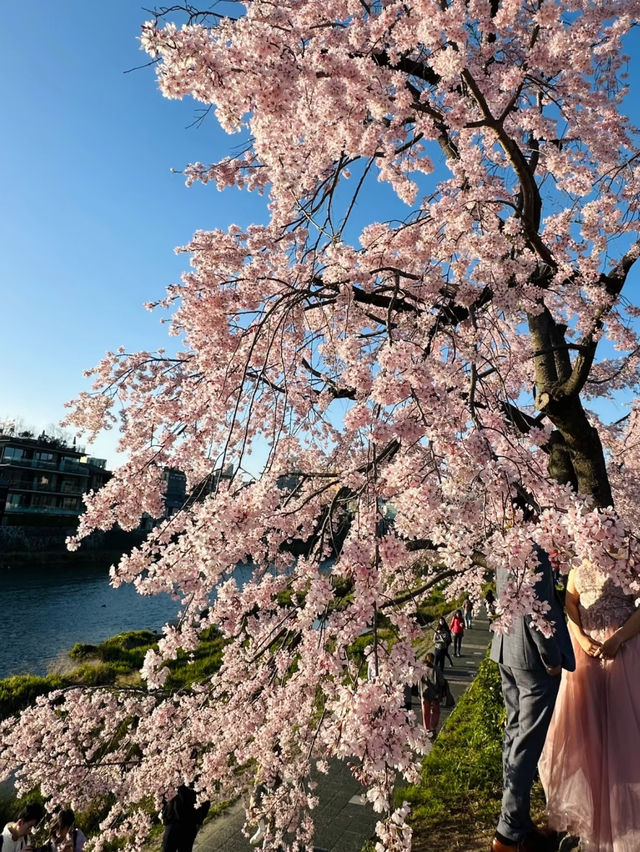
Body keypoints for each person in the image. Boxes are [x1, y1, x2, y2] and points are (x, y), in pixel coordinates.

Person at [539, 560, 640, 852]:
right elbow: (570, 600)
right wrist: (580, 637)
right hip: (584, 657)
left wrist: (619, 637)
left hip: (624, 652)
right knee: (586, 741)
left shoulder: (631, 553)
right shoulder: (579, 555)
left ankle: (622, 827)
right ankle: (588, 824)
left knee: (622, 743)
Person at [490, 545, 575, 852]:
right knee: (526, 743)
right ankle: (509, 833)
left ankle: (517, 824)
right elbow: (538, 609)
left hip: (506, 649)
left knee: (514, 737)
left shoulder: (506, 541)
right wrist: (551, 657)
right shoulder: (533, 547)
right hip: (532, 659)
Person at [161, 784, 210, 852]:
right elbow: (162, 795)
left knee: (185, 849)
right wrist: (165, 814)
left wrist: (199, 820)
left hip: (190, 822)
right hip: (173, 820)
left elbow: (206, 798)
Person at [421, 651, 445, 739]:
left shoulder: (422, 669)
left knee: (425, 712)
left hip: (424, 693)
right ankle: (433, 728)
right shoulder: (436, 669)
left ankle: (426, 729)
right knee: (435, 711)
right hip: (435, 694)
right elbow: (441, 682)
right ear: (433, 659)